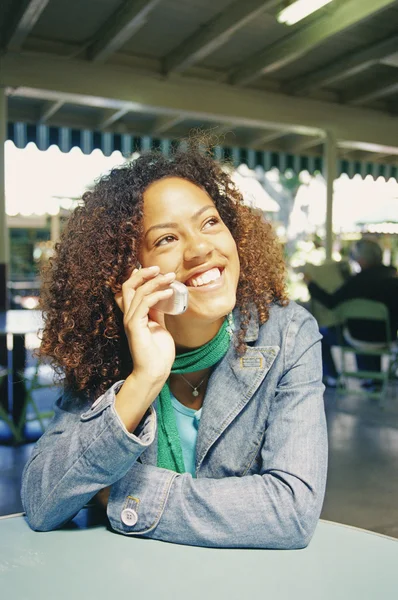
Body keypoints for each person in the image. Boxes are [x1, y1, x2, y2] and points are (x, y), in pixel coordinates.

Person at [21, 142, 327, 549]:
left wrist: (121, 494)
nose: (201, 248)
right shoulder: (109, 349)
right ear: (126, 277)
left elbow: (291, 510)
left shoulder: (287, 333)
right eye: (166, 239)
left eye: (210, 223)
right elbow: (43, 502)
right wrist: (144, 378)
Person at [305, 238, 397, 388]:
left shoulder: (357, 282)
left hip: (357, 337)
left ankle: (332, 377)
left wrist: (311, 284)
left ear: (361, 259)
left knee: (319, 334)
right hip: (388, 338)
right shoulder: (394, 277)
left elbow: (331, 302)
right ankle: (373, 379)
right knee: (369, 328)